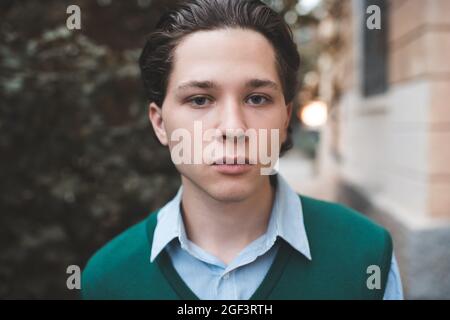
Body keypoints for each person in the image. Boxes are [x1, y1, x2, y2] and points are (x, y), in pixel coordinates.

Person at [81, 0, 403, 300]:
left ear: (285, 117)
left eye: (257, 98)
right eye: (199, 100)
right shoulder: (108, 279)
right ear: (160, 123)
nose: (234, 129)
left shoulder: (366, 255)